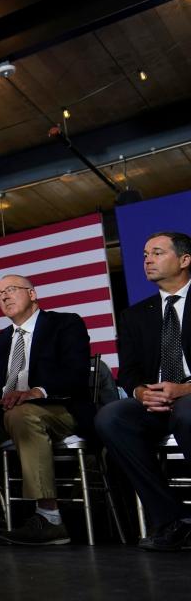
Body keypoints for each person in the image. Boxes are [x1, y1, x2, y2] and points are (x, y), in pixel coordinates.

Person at [0, 275, 91, 545]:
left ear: (32, 294)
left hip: (56, 409)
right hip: (7, 413)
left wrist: (38, 391)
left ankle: (50, 517)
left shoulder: (65, 323)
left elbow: (77, 374)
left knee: (21, 412)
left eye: (10, 290)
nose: (4, 297)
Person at [96, 232, 191, 551]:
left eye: (157, 252)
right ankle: (173, 520)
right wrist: (139, 392)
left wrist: (184, 388)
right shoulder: (134, 314)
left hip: (188, 397)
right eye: (145, 254)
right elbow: (130, 370)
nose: (147, 259)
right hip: (154, 401)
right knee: (111, 417)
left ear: (184, 260)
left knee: (188, 411)